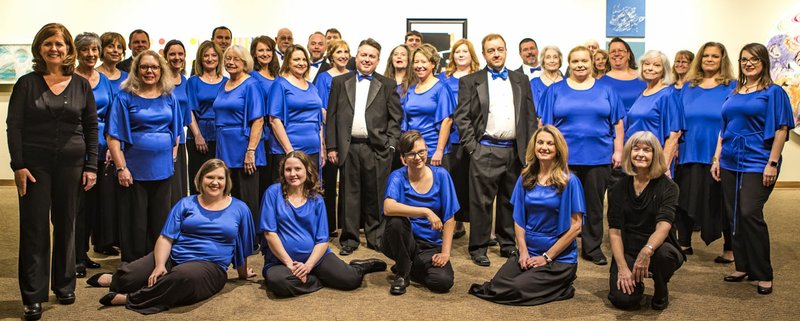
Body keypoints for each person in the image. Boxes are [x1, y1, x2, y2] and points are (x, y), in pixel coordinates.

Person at [7, 23, 98, 321]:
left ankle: (64, 284)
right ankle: (33, 296)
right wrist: (17, 165)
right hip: (34, 167)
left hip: (71, 164)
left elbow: (90, 127)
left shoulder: (81, 84)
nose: (55, 49)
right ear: (39, 49)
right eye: (48, 44)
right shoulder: (26, 83)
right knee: (34, 230)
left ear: (68, 49)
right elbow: (15, 126)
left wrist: (91, 165)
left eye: (60, 44)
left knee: (67, 224)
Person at [86, 159, 257, 314]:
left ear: (227, 182)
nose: (215, 182)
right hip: (175, 256)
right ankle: (116, 279)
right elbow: (166, 238)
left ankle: (130, 298)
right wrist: (160, 264)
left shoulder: (240, 209)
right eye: (209, 177)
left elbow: (242, 245)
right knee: (130, 276)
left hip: (210, 266)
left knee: (182, 278)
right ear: (200, 179)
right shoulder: (186, 203)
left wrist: (242, 273)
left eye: (220, 178)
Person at [712, 43, 795, 295]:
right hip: (729, 159)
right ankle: (742, 265)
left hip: (758, 160)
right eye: (744, 59)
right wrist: (716, 158)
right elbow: (724, 128)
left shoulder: (773, 92)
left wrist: (772, 162)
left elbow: (782, 129)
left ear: (764, 62)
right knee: (734, 213)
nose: (748, 63)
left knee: (749, 212)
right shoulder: (735, 92)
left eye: (754, 59)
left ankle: (763, 272)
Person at [470, 125, 584, 306]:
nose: (544, 147)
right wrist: (523, 252)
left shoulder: (569, 181)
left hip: (558, 258)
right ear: (534, 146)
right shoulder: (526, 178)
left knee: (515, 288)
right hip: (529, 252)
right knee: (497, 285)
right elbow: (519, 219)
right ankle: (545, 283)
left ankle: (563, 286)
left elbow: (576, 227)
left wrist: (546, 257)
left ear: (558, 149)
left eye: (550, 143)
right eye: (540, 142)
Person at [453, 33, 537, 267]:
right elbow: (462, 118)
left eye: (500, 49)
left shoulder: (521, 80)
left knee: (510, 200)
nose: (496, 53)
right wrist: (473, 148)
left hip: (515, 150)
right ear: (484, 54)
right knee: (481, 202)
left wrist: (529, 151)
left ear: (506, 51)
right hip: (485, 150)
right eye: (491, 50)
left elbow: (529, 117)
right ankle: (478, 247)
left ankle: (507, 244)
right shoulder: (470, 81)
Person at [539, 46, 625, 266]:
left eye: (584, 61)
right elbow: (545, 125)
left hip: (599, 157)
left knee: (594, 205)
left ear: (592, 62)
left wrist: (618, 150)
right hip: (564, 158)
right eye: (575, 61)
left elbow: (617, 122)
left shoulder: (606, 90)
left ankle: (592, 247)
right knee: (560, 203)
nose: (580, 65)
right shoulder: (555, 90)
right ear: (569, 63)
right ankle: (560, 244)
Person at [261, 151, 387, 297]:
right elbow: (270, 234)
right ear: (283, 172)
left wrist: (308, 266)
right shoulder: (272, 193)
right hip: (281, 262)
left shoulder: (316, 199)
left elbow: (322, 240)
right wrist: (289, 264)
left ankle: (359, 267)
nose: (293, 174)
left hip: (315, 257)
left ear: (307, 171)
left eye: (297, 169)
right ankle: (319, 279)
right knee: (279, 283)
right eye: (288, 169)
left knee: (350, 280)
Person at [326, 38, 403, 256]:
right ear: (356, 57)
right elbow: (331, 116)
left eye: (372, 56)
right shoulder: (340, 82)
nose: (367, 59)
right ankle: (349, 238)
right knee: (349, 195)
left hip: (376, 148)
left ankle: (375, 236)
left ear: (378, 60)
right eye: (363, 55)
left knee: (375, 194)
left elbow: (395, 119)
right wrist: (332, 146)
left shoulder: (387, 85)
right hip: (348, 147)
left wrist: (390, 146)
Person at [107, 49, 181, 263]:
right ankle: (134, 264)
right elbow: (113, 136)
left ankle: (158, 262)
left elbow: (175, 132)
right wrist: (121, 168)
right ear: (136, 70)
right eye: (145, 67)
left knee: (160, 219)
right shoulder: (124, 97)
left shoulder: (169, 96)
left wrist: (171, 159)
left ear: (161, 70)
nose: (150, 71)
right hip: (134, 169)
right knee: (135, 221)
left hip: (163, 169)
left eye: (154, 67)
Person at [607, 131, 685, 310]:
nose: (641, 154)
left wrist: (646, 251)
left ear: (655, 154)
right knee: (624, 301)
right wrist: (623, 268)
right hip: (628, 247)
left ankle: (661, 285)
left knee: (664, 255)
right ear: (629, 152)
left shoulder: (668, 187)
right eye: (636, 149)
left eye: (647, 150)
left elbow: (663, 226)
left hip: (658, 247)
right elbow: (614, 231)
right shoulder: (618, 187)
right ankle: (636, 282)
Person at [674, 42, 736, 262]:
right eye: (706, 56)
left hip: (720, 155)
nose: (709, 59)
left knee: (722, 202)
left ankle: (729, 248)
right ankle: (684, 243)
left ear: (722, 60)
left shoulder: (732, 87)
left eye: (715, 56)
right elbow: (678, 120)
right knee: (684, 199)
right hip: (688, 151)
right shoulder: (688, 87)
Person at [382, 131, 459, 295]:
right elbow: (388, 207)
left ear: (427, 151)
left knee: (443, 282)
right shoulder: (397, 177)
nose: (417, 157)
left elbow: (450, 218)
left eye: (421, 152)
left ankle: (406, 265)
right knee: (395, 220)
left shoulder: (442, 176)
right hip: (402, 240)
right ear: (403, 158)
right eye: (411, 154)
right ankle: (403, 273)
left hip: (430, 246)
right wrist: (425, 211)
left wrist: (445, 253)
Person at [212, 44, 266, 230]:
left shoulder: (251, 85)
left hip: (243, 147)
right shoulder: (223, 84)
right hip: (224, 145)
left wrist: (250, 151)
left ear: (245, 63)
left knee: (247, 195)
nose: (231, 62)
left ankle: (250, 237)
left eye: (236, 59)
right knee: (228, 193)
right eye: (228, 58)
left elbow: (258, 120)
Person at [73, 32, 113, 277]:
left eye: (94, 50)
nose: (90, 54)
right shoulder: (71, 78)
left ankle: (84, 252)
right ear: (77, 53)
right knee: (77, 206)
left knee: (95, 205)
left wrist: (111, 146)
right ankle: (74, 256)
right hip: (77, 146)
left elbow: (111, 115)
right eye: (85, 50)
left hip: (102, 149)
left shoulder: (104, 80)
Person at [438, 38, 480, 239]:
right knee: (452, 182)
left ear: (471, 54)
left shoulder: (478, 77)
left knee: (470, 184)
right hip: (449, 138)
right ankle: (453, 222)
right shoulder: (443, 78)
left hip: (472, 137)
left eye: (465, 51)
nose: (461, 54)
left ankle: (472, 224)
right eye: (457, 51)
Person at [267, 44, 325, 184]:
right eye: (296, 59)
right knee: (287, 193)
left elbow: (318, 118)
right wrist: (290, 152)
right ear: (288, 62)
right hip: (289, 149)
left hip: (313, 149)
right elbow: (274, 120)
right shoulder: (280, 84)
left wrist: (321, 146)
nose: (301, 63)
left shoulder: (311, 86)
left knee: (310, 192)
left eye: (304, 59)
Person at [314, 39, 351, 237]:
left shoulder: (354, 76)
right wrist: (337, 123)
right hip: (330, 133)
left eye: (346, 51)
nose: (343, 55)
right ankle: (329, 226)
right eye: (339, 52)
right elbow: (321, 107)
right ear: (331, 56)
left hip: (350, 136)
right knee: (329, 182)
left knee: (347, 183)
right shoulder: (323, 78)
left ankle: (347, 224)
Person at [625, 50, 683, 175]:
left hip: (654, 161)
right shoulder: (643, 93)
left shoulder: (668, 94)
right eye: (647, 64)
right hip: (636, 159)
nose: (650, 68)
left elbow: (674, 134)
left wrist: (664, 166)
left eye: (657, 65)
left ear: (664, 70)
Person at [402, 44, 455, 168]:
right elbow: (406, 122)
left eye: (423, 62)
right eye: (416, 62)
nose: (419, 66)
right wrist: (405, 150)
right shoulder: (411, 89)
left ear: (433, 64)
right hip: (412, 151)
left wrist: (439, 150)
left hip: (433, 151)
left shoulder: (441, 88)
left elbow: (447, 121)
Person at [186, 41, 226, 194]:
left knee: (219, 179)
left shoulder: (227, 83)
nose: (210, 59)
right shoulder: (193, 81)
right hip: (198, 135)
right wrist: (197, 135)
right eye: (206, 56)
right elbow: (189, 111)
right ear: (200, 59)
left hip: (221, 136)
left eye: (214, 55)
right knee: (199, 178)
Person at [249, 35, 279, 194]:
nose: (265, 53)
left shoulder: (278, 76)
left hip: (277, 131)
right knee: (263, 179)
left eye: (268, 50)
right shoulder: (252, 77)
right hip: (262, 131)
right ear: (254, 53)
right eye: (261, 50)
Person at [164, 40, 192, 204]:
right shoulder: (160, 79)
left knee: (179, 185)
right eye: (172, 54)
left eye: (180, 54)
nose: (177, 57)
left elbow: (188, 113)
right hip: (165, 138)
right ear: (166, 56)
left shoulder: (184, 80)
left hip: (180, 139)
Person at [599, 37, 646, 112]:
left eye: (620, 50)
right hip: (616, 123)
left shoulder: (644, 76)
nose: (617, 54)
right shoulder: (602, 82)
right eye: (613, 51)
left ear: (628, 55)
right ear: (609, 56)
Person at [530, 46, 564, 115]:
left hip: (564, 125)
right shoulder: (534, 83)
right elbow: (532, 109)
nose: (552, 61)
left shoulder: (567, 82)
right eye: (548, 57)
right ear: (543, 61)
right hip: (541, 124)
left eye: (555, 57)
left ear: (560, 61)